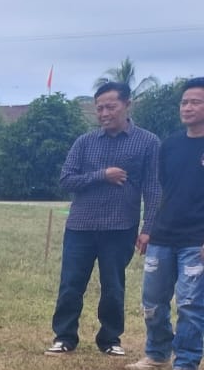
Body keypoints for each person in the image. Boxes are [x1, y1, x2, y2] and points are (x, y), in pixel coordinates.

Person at [46, 82, 162, 355]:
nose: (104, 113)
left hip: (121, 227)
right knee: (71, 284)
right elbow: (66, 179)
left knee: (113, 286)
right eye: (99, 108)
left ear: (127, 105)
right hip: (80, 227)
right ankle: (64, 337)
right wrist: (102, 175)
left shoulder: (148, 142)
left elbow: (154, 188)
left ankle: (110, 340)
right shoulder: (84, 142)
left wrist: (149, 228)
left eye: (111, 106)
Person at [126, 77, 204, 370]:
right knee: (153, 301)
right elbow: (161, 191)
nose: (187, 107)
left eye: (195, 102)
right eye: (184, 102)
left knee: (190, 304)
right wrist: (149, 228)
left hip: (195, 240)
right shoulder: (170, 145)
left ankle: (185, 364)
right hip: (162, 236)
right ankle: (156, 353)